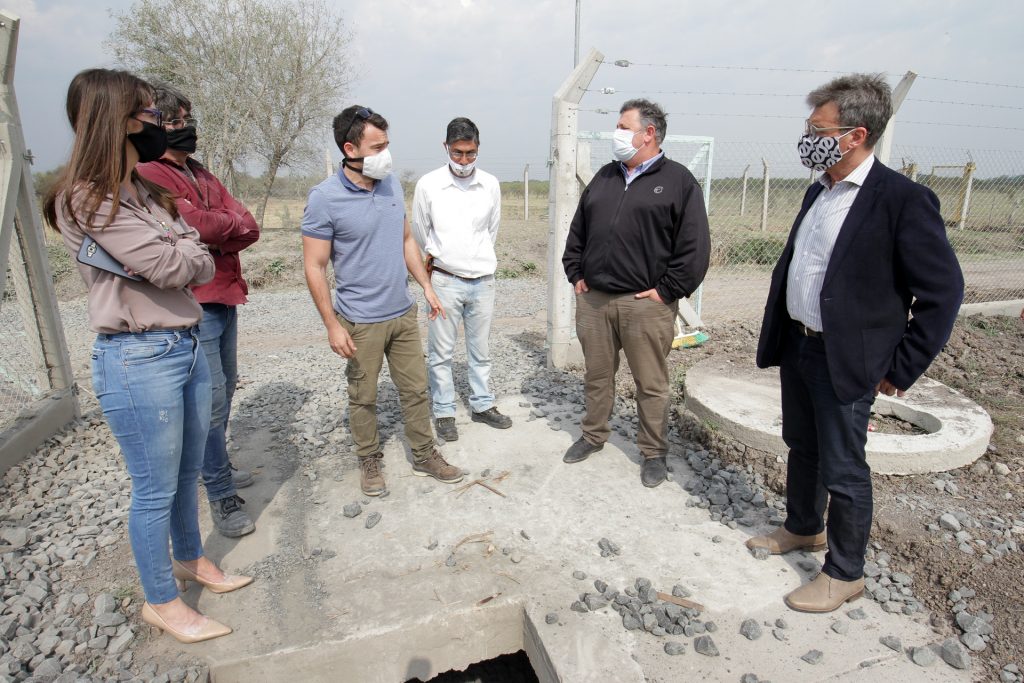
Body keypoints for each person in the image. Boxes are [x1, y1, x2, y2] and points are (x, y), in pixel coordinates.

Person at [43, 68, 252, 644]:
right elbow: (175, 263)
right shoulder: (83, 198)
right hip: (138, 356)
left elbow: (193, 254)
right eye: (145, 112)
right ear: (114, 118)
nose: (156, 122)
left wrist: (183, 246)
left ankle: (191, 557)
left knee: (186, 472)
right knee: (154, 486)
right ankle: (162, 599)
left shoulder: (141, 190)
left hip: (179, 344)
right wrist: (184, 246)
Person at [749, 73, 964, 613]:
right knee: (803, 446)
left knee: (844, 467)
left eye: (817, 128)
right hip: (801, 347)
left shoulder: (902, 200)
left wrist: (902, 365)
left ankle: (845, 573)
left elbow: (943, 293)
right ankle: (803, 527)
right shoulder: (818, 189)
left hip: (848, 359)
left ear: (855, 134)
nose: (807, 136)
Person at [302, 105, 464, 496]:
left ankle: (425, 454)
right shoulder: (325, 198)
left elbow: (407, 240)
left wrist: (424, 286)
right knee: (364, 395)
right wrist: (331, 324)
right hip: (360, 320)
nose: (386, 155)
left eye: (387, 145)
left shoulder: (391, 185)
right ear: (350, 148)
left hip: (402, 314)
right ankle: (369, 458)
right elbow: (314, 265)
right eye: (377, 147)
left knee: (415, 389)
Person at [561, 99, 711, 487]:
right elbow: (578, 231)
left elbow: (694, 248)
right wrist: (575, 272)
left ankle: (653, 452)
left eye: (623, 126)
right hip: (594, 301)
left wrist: (667, 292)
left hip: (645, 306)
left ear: (649, 133)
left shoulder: (678, 181)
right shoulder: (605, 178)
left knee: (651, 383)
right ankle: (593, 435)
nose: (617, 133)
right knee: (597, 376)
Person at [138, 83, 260, 539]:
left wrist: (216, 228)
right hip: (195, 299)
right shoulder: (150, 173)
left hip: (225, 292)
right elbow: (197, 224)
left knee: (224, 390)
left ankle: (218, 467)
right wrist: (218, 227)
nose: (186, 128)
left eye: (188, 120)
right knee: (209, 401)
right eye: (175, 122)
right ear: (156, 125)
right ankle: (221, 491)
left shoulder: (199, 171)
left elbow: (247, 225)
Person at [411, 117, 511, 442]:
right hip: (444, 280)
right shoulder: (428, 185)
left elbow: (491, 230)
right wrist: (439, 268)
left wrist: (475, 260)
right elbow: (419, 232)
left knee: (480, 349)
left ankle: (482, 405)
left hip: (483, 280)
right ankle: (444, 411)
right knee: (440, 352)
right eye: (458, 153)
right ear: (446, 148)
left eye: (470, 153)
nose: (464, 161)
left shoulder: (490, 185)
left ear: (478, 149)